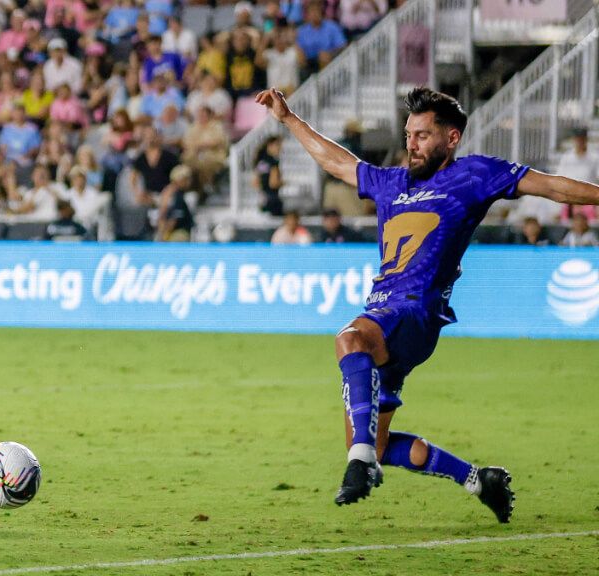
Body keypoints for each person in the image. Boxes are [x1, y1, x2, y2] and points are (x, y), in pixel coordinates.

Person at [256, 85, 599, 522]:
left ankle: (362, 463)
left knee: (349, 340)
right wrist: (288, 119)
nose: (411, 144)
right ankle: (477, 479)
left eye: (421, 135)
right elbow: (337, 162)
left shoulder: (474, 175)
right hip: (389, 313)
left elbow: (553, 188)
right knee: (377, 441)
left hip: (414, 312)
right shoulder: (392, 182)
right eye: (408, 134)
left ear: (451, 139)